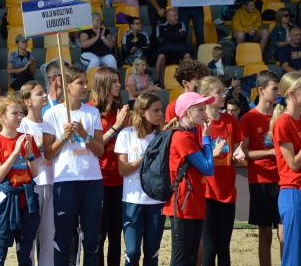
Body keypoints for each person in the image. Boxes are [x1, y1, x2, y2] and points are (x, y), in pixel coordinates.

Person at [42, 66, 104, 265]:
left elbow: (100, 150)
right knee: (63, 238)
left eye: (86, 82)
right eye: (80, 83)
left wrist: (85, 136)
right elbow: (49, 153)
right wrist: (63, 137)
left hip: (92, 180)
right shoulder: (52, 114)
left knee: (92, 239)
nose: (86, 86)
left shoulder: (92, 112)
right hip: (66, 180)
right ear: (67, 86)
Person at [162, 92, 217, 265]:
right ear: (186, 112)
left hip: (192, 202)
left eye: (204, 109)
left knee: (191, 257)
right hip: (183, 204)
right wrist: (207, 137)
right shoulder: (182, 137)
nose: (205, 113)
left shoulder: (190, 134)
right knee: (181, 258)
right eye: (200, 110)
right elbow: (208, 168)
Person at [0, 93, 41, 265]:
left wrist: (30, 154)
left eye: (21, 113)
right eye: (15, 113)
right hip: (6, 200)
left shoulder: (26, 138)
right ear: (1, 116)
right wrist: (16, 152)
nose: (20, 117)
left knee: (25, 251)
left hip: (27, 199)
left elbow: (35, 173)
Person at [196, 76, 244, 266]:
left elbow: (238, 147)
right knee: (209, 246)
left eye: (223, 91)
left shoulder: (231, 121)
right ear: (206, 97)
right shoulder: (199, 124)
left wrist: (238, 153)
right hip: (206, 191)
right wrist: (210, 152)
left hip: (227, 190)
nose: (223, 95)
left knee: (224, 246)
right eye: (218, 92)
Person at [114, 93, 166, 265]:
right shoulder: (126, 135)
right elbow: (123, 169)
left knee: (152, 252)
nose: (160, 114)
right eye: (156, 110)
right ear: (142, 112)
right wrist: (145, 157)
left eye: (161, 110)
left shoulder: (163, 137)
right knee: (132, 251)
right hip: (132, 200)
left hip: (157, 201)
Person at [87, 67, 129, 266]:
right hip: (98, 180)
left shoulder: (121, 112)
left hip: (120, 180)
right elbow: (96, 146)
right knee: (98, 234)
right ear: (103, 84)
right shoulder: (90, 110)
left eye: (119, 81)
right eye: (113, 81)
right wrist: (116, 126)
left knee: (116, 234)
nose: (119, 85)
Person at [240, 70, 283, 266]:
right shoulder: (249, 118)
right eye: (274, 89)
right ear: (261, 90)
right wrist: (271, 153)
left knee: (284, 232)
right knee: (265, 231)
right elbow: (245, 153)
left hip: (284, 179)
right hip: (260, 180)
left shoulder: (282, 115)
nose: (277, 93)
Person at [268, 72, 301, 265]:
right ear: (292, 94)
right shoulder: (283, 123)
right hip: (295, 192)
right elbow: (293, 164)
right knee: (294, 255)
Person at [17, 81, 54, 265]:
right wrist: (40, 144)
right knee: (29, 235)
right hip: (32, 185)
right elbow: (21, 156)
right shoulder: (22, 125)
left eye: (45, 92)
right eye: (39, 94)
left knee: (49, 236)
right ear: (28, 101)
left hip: (52, 182)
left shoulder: (50, 123)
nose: (45, 95)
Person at [154, 8, 194, 84]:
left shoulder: (181, 24)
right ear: (168, 17)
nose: (177, 17)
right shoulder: (160, 26)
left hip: (180, 49)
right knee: (160, 56)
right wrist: (176, 35)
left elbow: (182, 36)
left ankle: (189, 80)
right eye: (175, 15)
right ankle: (157, 80)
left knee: (187, 55)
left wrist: (168, 35)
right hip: (166, 50)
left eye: (177, 15)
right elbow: (160, 39)